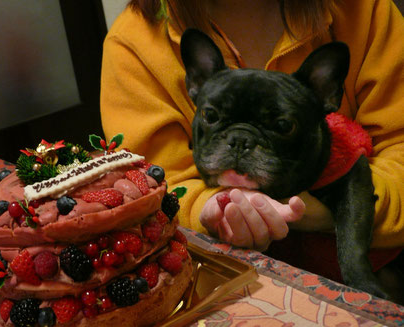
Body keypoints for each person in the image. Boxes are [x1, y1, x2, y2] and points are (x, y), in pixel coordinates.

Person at [100, 0, 404, 291]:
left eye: (282, 126)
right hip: (219, 276)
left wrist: (333, 212)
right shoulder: (133, 43)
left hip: (378, 266)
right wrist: (206, 208)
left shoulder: (362, 8)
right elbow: (150, 186)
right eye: (212, 116)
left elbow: (398, 148)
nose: (242, 146)